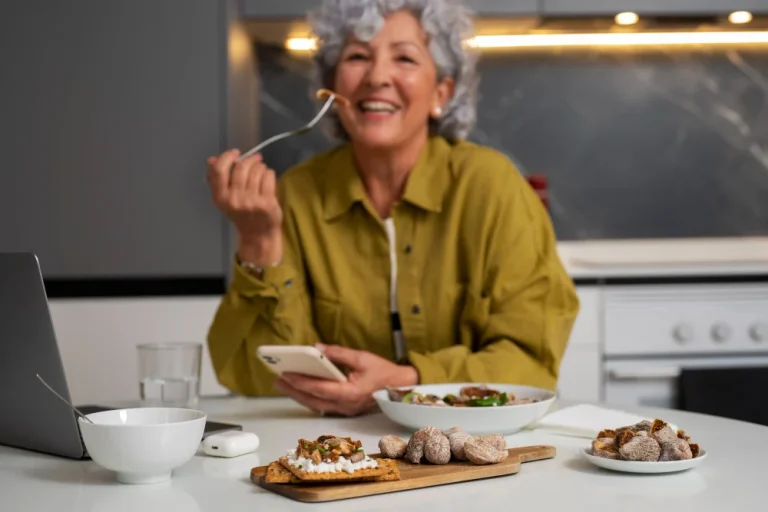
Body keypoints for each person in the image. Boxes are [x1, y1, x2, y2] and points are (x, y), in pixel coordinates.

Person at [205, 0, 580, 417]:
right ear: (331, 89)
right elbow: (252, 377)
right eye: (358, 56)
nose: (377, 77)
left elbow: (531, 363)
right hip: (339, 453)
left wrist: (408, 382)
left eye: (404, 57)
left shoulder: (492, 187)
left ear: (442, 93)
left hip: (474, 450)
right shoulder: (294, 196)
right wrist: (259, 242)